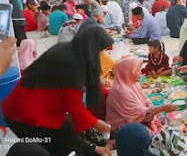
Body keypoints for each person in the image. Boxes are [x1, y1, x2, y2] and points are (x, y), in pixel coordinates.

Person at [2, 26, 114, 155]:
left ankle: (92, 149)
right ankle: (94, 150)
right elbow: (76, 108)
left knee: (60, 134)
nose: (102, 56)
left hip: (17, 107)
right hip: (26, 116)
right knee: (59, 142)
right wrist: (96, 123)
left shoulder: (66, 50)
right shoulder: (73, 66)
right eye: (101, 52)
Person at [106, 58, 177, 135]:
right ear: (128, 73)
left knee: (160, 116)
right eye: (137, 71)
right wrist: (162, 108)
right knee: (146, 134)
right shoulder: (122, 92)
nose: (140, 73)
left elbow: (145, 99)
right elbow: (143, 115)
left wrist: (151, 107)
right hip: (122, 127)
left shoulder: (132, 83)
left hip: (137, 117)